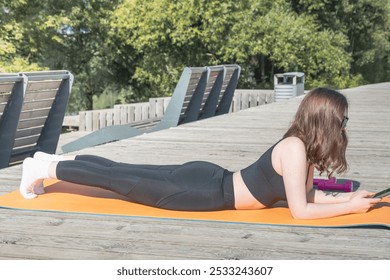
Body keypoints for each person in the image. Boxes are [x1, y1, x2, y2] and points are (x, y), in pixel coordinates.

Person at [19, 87, 381, 219]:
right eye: (343, 120)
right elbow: (300, 212)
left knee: (122, 170)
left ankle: (47, 162)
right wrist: (349, 207)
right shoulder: (295, 149)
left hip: (208, 178)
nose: (345, 126)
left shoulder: (301, 147)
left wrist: (348, 197)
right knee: (119, 179)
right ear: (326, 121)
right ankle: (44, 170)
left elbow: (304, 196)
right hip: (204, 192)